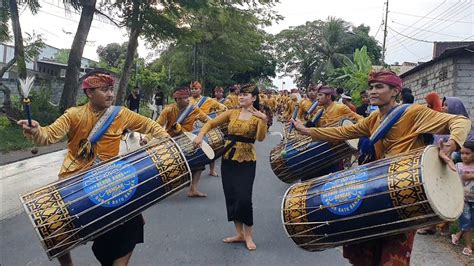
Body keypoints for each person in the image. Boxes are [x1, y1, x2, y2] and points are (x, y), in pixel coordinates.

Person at [291, 69, 471, 265]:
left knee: (393, 257)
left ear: (395, 91)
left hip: (404, 191)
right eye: (371, 88)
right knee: (365, 252)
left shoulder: (413, 113)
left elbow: (460, 121)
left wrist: (453, 142)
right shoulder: (374, 119)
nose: (372, 92)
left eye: (379, 87)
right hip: (378, 188)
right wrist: (307, 131)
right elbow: (344, 131)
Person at [17, 72, 170, 266]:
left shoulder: (121, 113)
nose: (110, 94)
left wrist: (164, 139)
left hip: (108, 180)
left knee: (134, 223)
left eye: (111, 90)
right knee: (57, 228)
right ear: (89, 92)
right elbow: (48, 136)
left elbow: (149, 124)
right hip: (74, 180)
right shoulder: (74, 114)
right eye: (104, 90)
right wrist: (36, 130)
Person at [193, 84, 268, 251]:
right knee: (232, 196)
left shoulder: (258, 117)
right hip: (228, 159)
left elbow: (261, 138)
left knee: (244, 198)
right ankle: (239, 234)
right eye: (240, 94)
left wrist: (264, 120)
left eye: (245, 95)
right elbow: (211, 123)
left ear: (254, 98)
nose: (241, 97)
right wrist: (200, 134)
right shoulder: (232, 112)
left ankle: (248, 235)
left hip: (247, 160)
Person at [154, 86, 210, 197]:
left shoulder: (194, 109)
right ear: (177, 99)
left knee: (199, 162)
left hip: (187, 140)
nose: (187, 99)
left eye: (186, 97)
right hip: (171, 141)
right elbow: (156, 125)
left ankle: (193, 189)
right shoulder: (168, 109)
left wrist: (211, 125)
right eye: (183, 98)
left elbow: (208, 121)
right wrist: (146, 139)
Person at [189, 81, 227, 177]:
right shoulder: (188, 100)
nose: (193, 90)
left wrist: (223, 109)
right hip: (191, 128)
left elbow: (221, 107)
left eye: (196, 89)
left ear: (200, 90)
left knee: (211, 148)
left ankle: (212, 170)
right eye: (192, 89)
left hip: (205, 127)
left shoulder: (208, 100)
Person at [451, 141, 474, 256]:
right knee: (466, 221)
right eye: (462, 153)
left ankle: (457, 235)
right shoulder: (458, 166)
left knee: (471, 221)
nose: (464, 156)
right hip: (463, 200)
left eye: (467, 153)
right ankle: (469, 246)